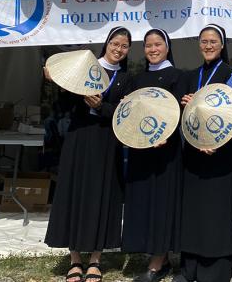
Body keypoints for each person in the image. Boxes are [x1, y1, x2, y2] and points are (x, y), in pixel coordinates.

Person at [44, 26, 133, 282]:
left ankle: (95, 259)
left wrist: (102, 106)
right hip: (79, 138)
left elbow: (121, 113)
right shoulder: (87, 66)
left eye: (124, 46)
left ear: (128, 50)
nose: (118, 49)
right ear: (107, 44)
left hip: (106, 142)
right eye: (115, 43)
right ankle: (75, 260)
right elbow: (64, 103)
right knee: (75, 192)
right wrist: (55, 81)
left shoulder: (126, 79)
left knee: (101, 195)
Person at [173, 24, 232, 282]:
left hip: (220, 153)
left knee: (217, 211)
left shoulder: (231, 74)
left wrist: (218, 142)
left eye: (213, 41)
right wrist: (186, 103)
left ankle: (217, 269)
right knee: (194, 211)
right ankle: (190, 267)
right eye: (204, 41)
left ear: (222, 45)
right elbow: (181, 115)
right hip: (193, 153)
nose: (208, 45)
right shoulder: (191, 76)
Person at [122, 28, 183, 282]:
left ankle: (157, 262)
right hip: (141, 152)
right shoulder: (137, 79)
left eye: (158, 44)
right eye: (148, 45)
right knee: (144, 203)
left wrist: (166, 136)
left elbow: (180, 112)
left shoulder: (178, 76)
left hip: (165, 152)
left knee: (161, 204)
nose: (153, 49)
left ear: (167, 48)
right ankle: (159, 256)